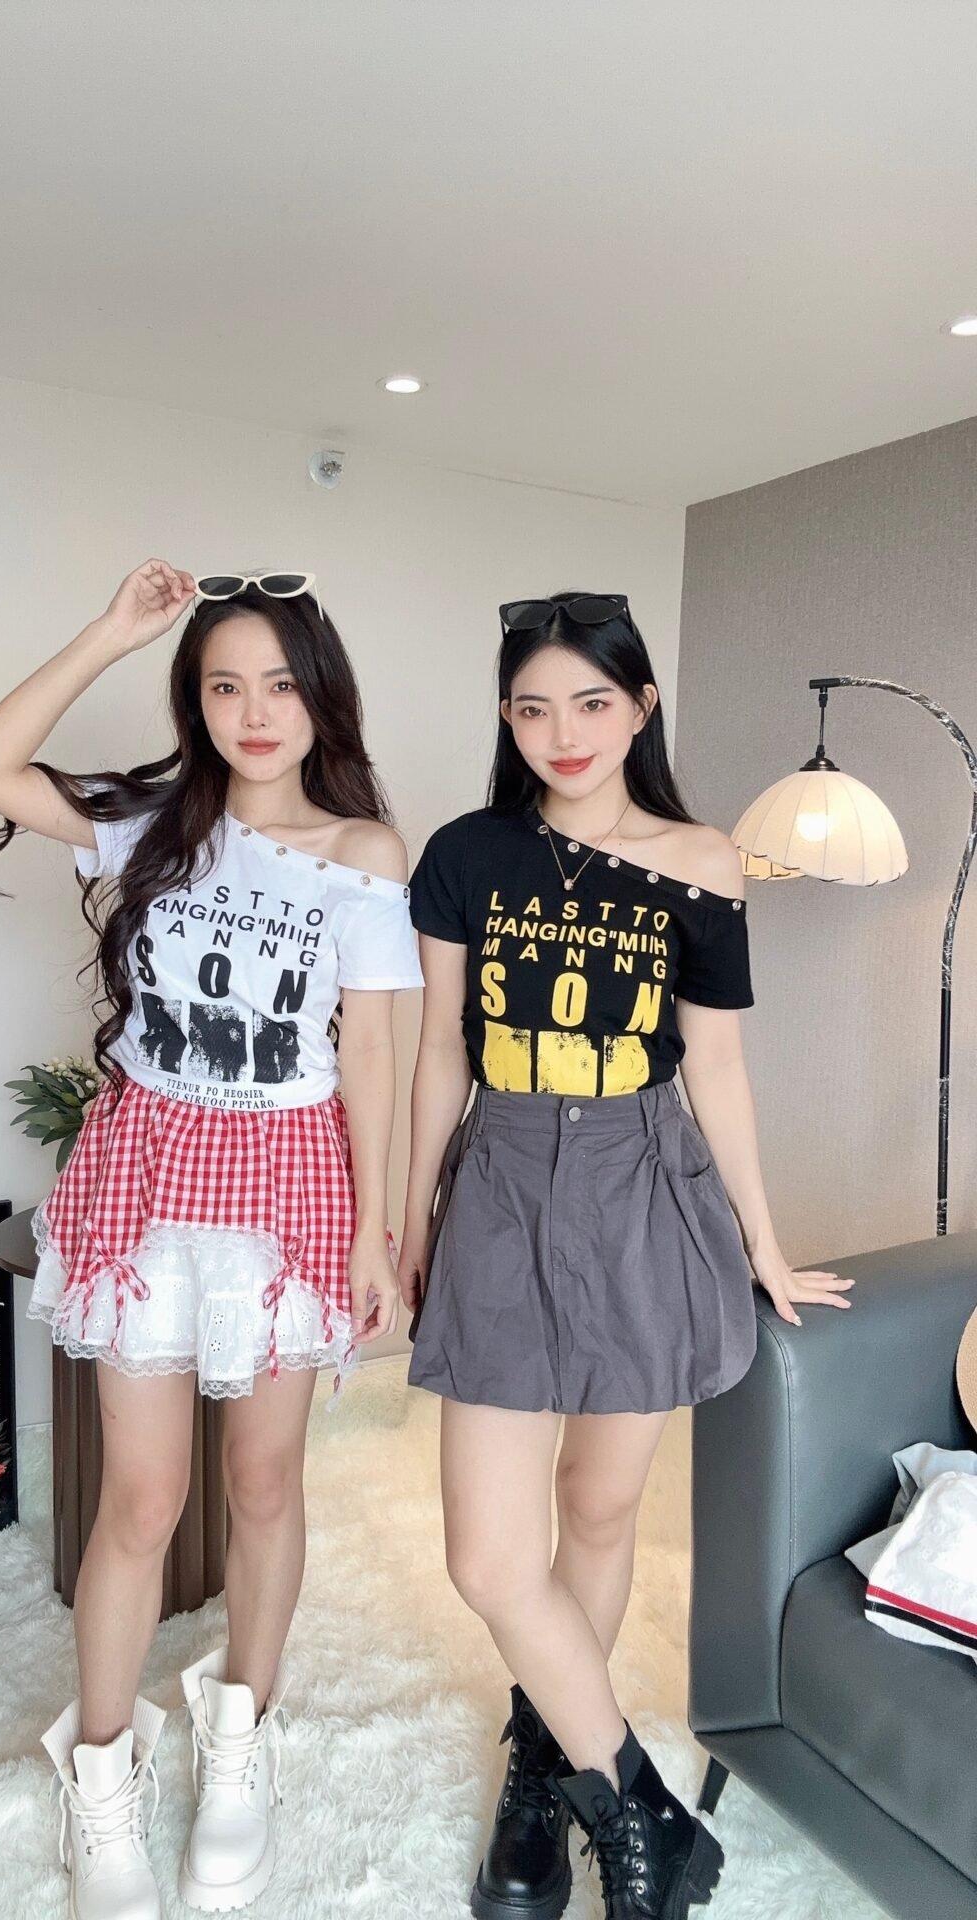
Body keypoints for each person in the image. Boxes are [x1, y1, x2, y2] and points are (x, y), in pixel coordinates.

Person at [0, 560, 422, 1919]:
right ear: (194, 701)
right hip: (148, 1173)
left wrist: (379, 1231)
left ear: (320, 697)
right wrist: (109, 629)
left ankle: (239, 1746)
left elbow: (376, 1055)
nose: (254, 713)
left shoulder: (364, 852)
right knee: (142, 1499)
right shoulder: (153, 819)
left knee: (264, 1484)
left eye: (279, 684)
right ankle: (99, 1780)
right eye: (224, 686)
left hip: (289, 1179)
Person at [397, 592, 852, 1920]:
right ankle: (638, 1803)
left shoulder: (703, 862)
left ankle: (544, 1780)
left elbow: (718, 1066)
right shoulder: (468, 853)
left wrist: (766, 1242)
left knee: (599, 1512)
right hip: (502, 1179)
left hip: (644, 1182)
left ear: (642, 707)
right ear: (505, 719)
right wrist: (410, 1222)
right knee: (490, 1557)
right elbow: (437, 1055)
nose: (564, 732)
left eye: (592, 702)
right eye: (533, 707)